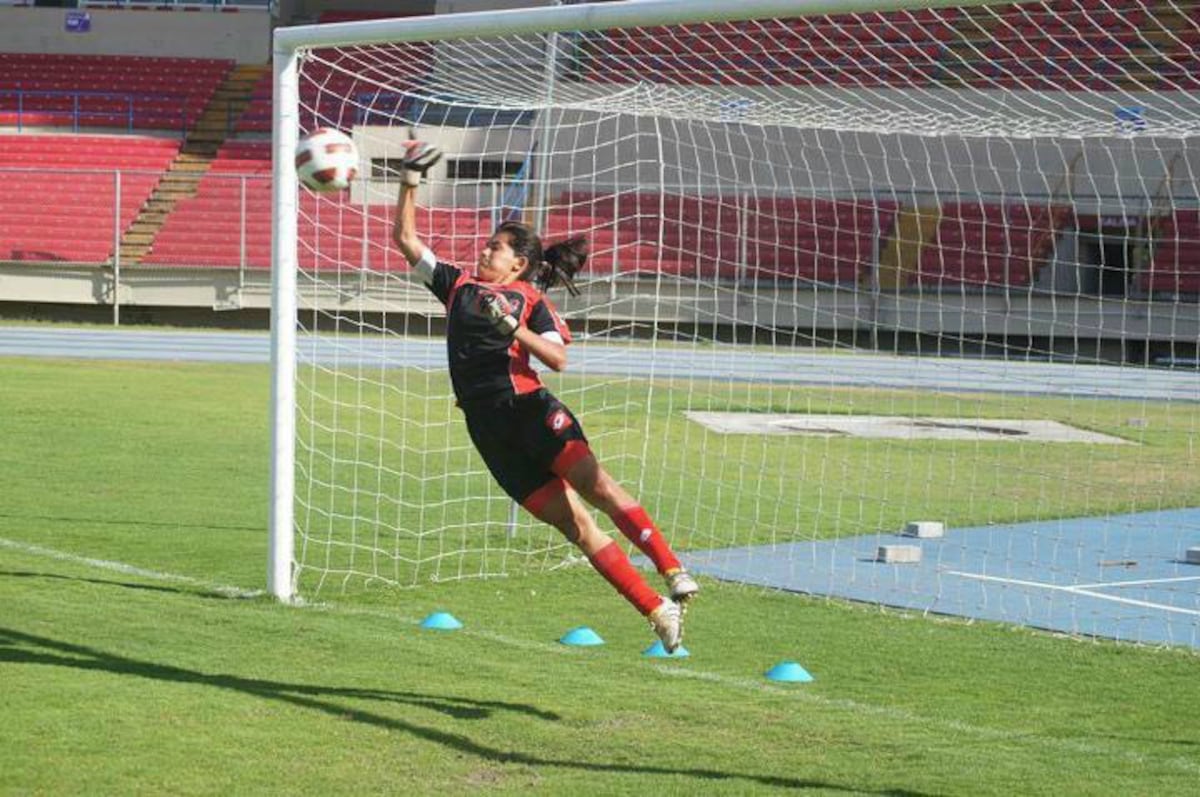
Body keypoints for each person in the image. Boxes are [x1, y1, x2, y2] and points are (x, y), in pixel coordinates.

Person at [391, 140, 698, 652]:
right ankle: (656, 611)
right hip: (489, 432)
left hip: (532, 412)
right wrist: (409, 179)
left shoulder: (531, 301)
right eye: (487, 244)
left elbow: (557, 359)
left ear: (518, 264)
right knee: (577, 527)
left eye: (495, 247)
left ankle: (672, 569)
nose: (484, 251)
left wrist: (513, 327)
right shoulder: (457, 286)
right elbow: (405, 238)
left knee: (600, 489)